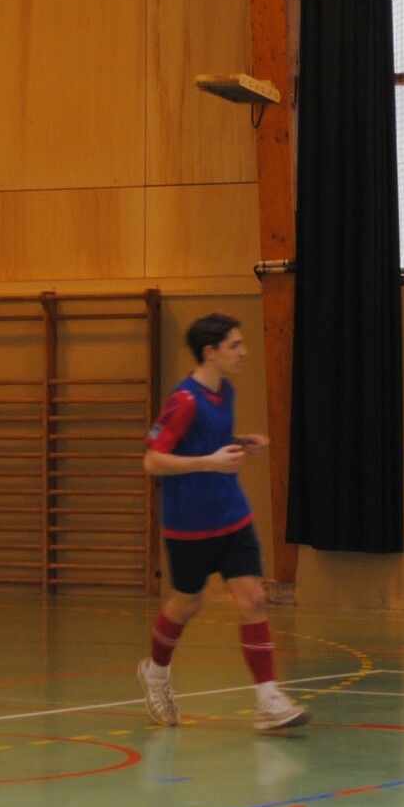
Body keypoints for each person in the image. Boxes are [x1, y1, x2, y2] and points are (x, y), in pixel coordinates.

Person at [136, 312, 310, 731]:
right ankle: (156, 673)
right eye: (235, 345)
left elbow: (208, 443)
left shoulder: (225, 391)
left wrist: (236, 443)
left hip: (232, 514)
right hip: (189, 523)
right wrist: (209, 461)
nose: (243, 351)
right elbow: (153, 461)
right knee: (187, 604)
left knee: (254, 599)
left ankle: (268, 699)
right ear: (210, 352)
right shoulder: (184, 400)